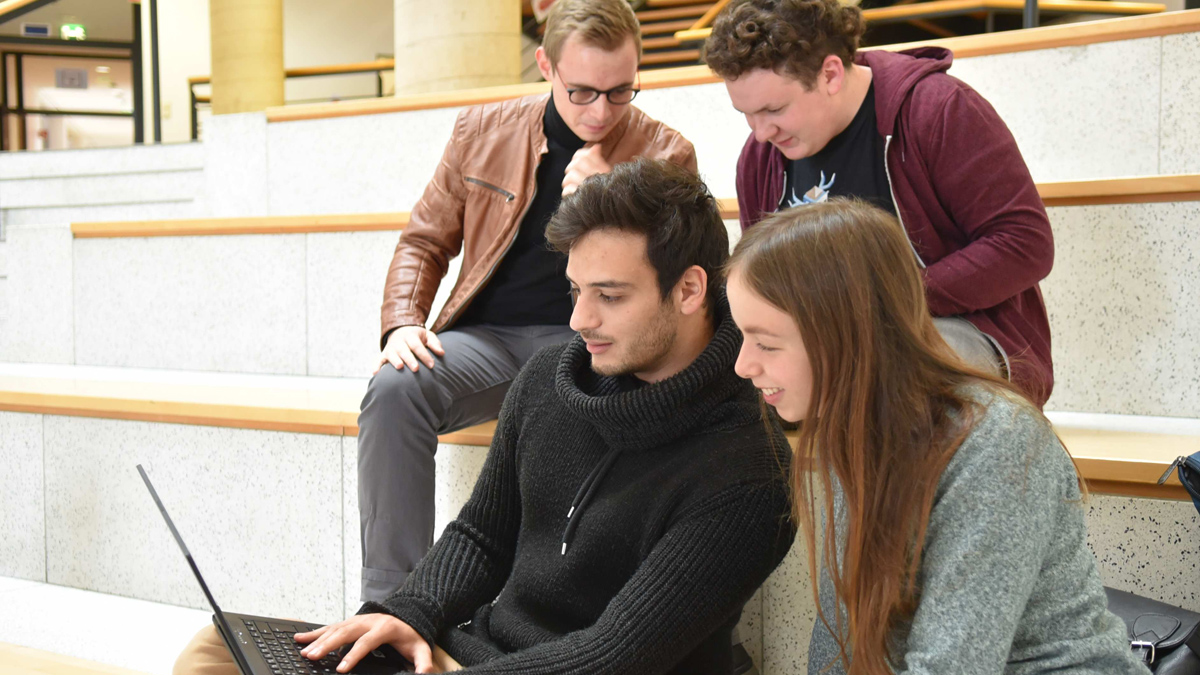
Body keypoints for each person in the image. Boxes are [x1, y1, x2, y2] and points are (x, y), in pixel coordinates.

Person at [174, 159, 793, 675]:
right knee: (216, 654)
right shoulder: (549, 380)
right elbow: (481, 536)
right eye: (576, 292)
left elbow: (612, 657)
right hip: (475, 656)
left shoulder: (747, 469)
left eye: (610, 296)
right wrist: (408, 612)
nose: (580, 321)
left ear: (688, 290)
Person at [359, 0, 697, 603]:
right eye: (583, 92)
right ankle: (388, 606)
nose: (602, 111)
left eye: (621, 92)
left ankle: (553, 616)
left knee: (590, 399)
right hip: (488, 341)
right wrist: (401, 325)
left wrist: (612, 201)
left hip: (592, 343)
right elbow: (424, 240)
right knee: (393, 389)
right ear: (545, 65)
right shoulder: (481, 131)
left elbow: (676, 286)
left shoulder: (666, 154)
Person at [724, 198, 1149, 675]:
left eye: (766, 343)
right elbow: (844, 646)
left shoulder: (995, 442)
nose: (743, 365)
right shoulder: (855, 426)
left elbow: (952, 666)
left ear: (847, 335)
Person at [704, 0, 1056, 407]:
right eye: (746, 114)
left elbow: (1024, 243)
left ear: (831, 73)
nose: (761, 133)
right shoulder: (759, 159)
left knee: (885, 377)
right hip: (822, 346)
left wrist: (887, 304)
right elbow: (761, 283)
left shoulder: (938, 110)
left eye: (775, 109)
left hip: (948, 329)